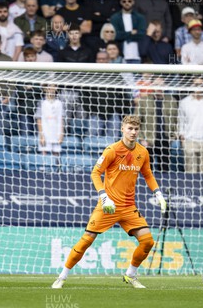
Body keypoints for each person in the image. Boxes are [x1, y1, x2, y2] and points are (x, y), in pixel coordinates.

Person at [51, 115, 167, 289]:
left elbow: (148, 174)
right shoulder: (112, 150)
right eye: (130, 128)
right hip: (108, 206)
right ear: (122, 129)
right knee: (87, 239)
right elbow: (95, 173)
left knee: (148, 241)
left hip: (129, 207)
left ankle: (130, 275)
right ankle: (62, 276)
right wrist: (104, 196)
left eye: (136, 129)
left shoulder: (143, 152)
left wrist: (158, 193)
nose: (133, 132)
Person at [135, 76, 178, 173]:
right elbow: (136, 122)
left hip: (165, 140)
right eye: (156, 85)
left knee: (165, 171)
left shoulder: (172, 101)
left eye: (161, 85)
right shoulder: (143, 101)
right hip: (148, 140)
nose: (159, 87)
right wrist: (142, 139)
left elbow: (177, 120)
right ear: (152, 86)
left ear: (165, 86)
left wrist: (173, 136)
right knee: (147, 172)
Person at [178, 77, 203, 174]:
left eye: (201, 84)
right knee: (190, 174)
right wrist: (182, 138)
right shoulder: (184, 102)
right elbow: (180, 121)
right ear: (192, 85)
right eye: (196, 84)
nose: (198, 87)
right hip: (189, 141)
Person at [110, 0, 147, 64]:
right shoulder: (115, 17)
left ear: (133, 2)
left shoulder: (140, 17)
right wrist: (131, 33)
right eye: (124, 1)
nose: (127, 3)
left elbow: (142, 34)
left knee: (137, 75)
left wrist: (124, 35)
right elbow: (115, 35)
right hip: (121, 55)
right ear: (120, 2)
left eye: (129, 1)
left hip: (138, 54)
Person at [36, 84, 64, 156]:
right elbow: (38, 119)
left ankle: (57, 167)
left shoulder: (60, 103)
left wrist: (61, 134)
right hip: (45, 132)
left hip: (56, 133)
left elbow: (61, 119)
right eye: (49, 87)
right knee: (44, 153)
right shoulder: (42, 103)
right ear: (45, 89)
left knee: (56, 154)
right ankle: (43, 167)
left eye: (53, 86)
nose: (51, 89)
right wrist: (41, 135)